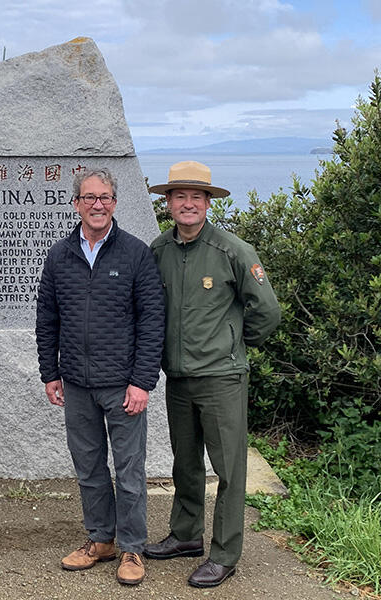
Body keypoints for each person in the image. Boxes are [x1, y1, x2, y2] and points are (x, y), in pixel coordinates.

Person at [142, 161, 281, 588]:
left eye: (196, 197)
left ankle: (224, 553)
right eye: (179, 196)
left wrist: (233, 345)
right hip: (179, 379)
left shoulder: (232, 250)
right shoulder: (158, 251)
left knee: (229, 468)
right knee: (185, 463)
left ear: (208, 203)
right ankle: (185, 536)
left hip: (222, 378)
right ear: (167, 203)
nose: (187, 204)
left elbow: (268, 312)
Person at [35, 167, 165, 586]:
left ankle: (132, 547)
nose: (97, 204)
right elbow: (47, 318)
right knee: (89, 467)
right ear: (76, 203)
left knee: (129, 471)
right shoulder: (60, 255)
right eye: (89, 197)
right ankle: (100, 539)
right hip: (75, 383)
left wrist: (143, 381)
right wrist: (49, 373)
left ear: (114, 202)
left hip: (123, 384)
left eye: (105, 197)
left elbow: (152, 321)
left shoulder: (135, 253)